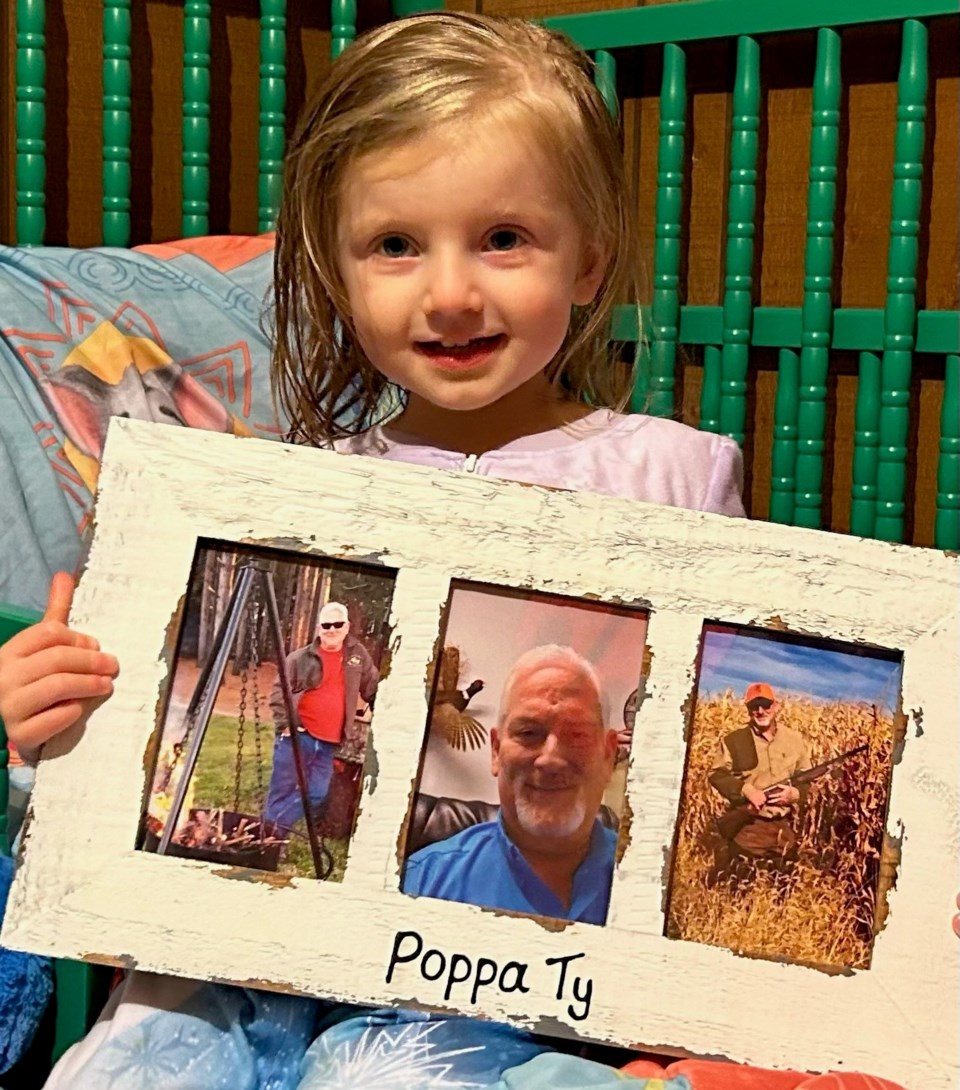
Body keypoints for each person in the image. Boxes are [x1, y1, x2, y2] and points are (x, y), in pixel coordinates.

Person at [0, 11, 929, 1088]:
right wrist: (58, 728)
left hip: (515, 968)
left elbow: (718, 751)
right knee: (139, 1056)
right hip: (264, 942)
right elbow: (178, 787)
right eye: (396, 245)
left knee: (381, 1072)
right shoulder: (300, 481)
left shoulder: (673, 473)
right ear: (337, 272)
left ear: (588, 261)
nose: (448, 292)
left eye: (502, 239)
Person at [404, 645, 619, 924]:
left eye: (577, 735)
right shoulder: (419, 885)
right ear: (496, 751)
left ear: (608, 756)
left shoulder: (659, 892)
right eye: (529, 732)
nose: (550, 759)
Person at [264, 600, 379, 835]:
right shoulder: (299, 658)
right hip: (298, 736)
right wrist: (286, 724)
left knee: (316, 793)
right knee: (282, 789)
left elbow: (373, 688)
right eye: (327, 625)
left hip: (329, 742)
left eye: (338, 624)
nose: (332, 630)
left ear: (346, 626)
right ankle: (272, 840)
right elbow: (279, 691)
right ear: (319, 628)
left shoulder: (357, 656)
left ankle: (272, 827)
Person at [707, 682, 811, 884]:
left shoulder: (794, 740)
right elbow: (717, 774)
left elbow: (805, 777)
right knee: (741, 888)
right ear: (748, 710)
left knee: (784, 888)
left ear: (776, 706)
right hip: (749, 824)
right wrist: (746, 790)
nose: (761, 711)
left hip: (783, 826)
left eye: (766, 705)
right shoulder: (734, 740)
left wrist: (795, 794)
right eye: (755, 706)